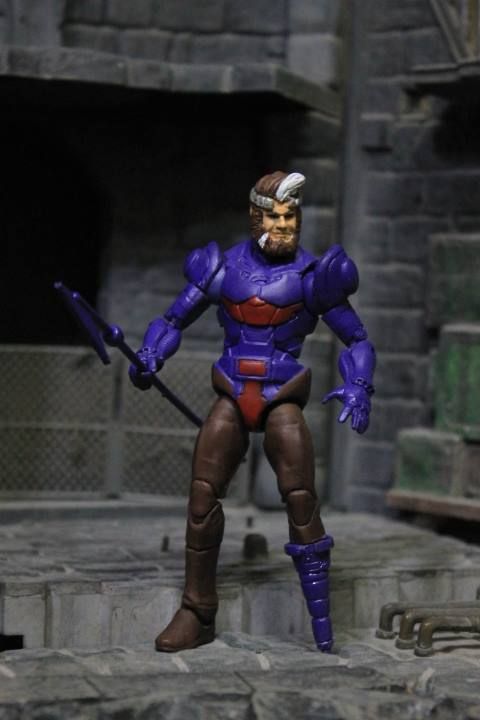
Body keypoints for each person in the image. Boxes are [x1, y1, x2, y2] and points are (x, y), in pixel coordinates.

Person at [129, 170, 376, 652]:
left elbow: (358, 339)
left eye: (291, 217)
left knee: (301, 501)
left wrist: (359, 387)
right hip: (231, 391)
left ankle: (322, 626)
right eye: (275, 217)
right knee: (202, 499)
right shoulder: (221, 268)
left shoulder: (314, 277)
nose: (284, 226)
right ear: (255, 217)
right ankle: (197, 612)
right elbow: (173, 319)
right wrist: (151, 355)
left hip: (282, 396)